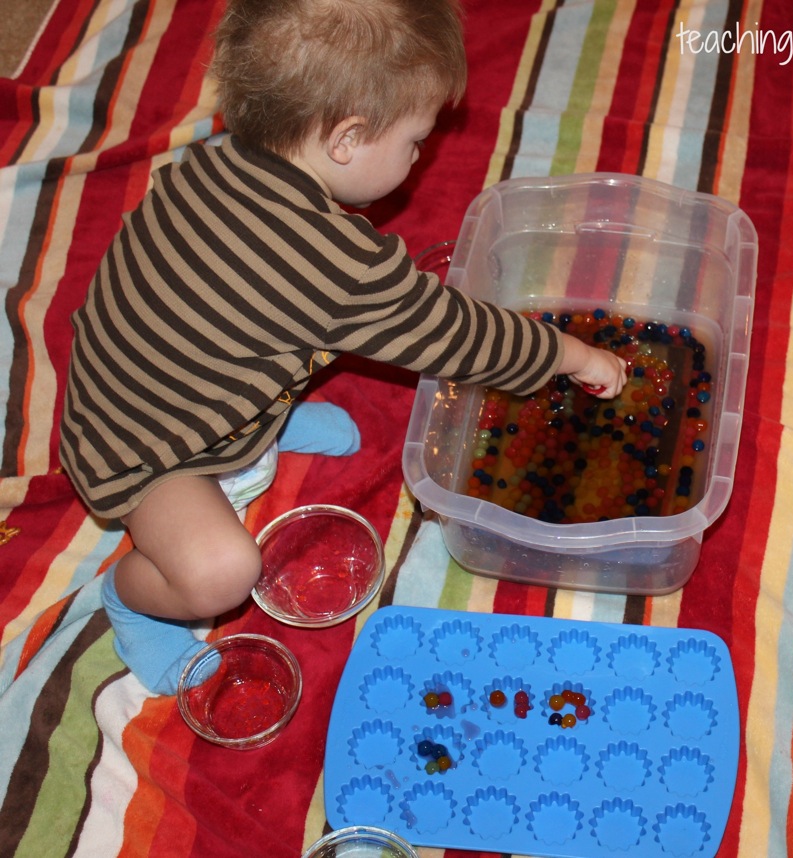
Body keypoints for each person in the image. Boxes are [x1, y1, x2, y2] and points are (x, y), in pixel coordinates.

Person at [59, 0, 627, 695]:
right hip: (144, 447)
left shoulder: (220, 162)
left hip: (151, 376)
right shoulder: (337, 267)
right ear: (347, 139)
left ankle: (258, 426)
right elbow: (461, 337)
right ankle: (130, 600)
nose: (422, 156)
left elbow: (238, 321)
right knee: (221, 575)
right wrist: (575, 356)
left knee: (258, 351)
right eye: (417, 140)